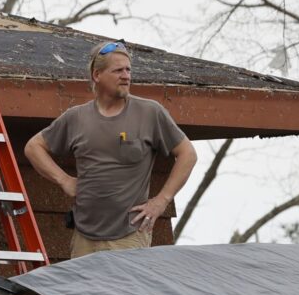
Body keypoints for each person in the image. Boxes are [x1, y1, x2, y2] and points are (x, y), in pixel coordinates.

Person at [24, 41, 199, 260]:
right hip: (84, 237)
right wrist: (64, 180)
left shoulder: (149, 113)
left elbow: (188, 154)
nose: (126, 76)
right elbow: (33, 147)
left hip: (129, 235)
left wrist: (161, 200)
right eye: (118, 70)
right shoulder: (76, 117)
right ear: (97, 75)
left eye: (128, 70)